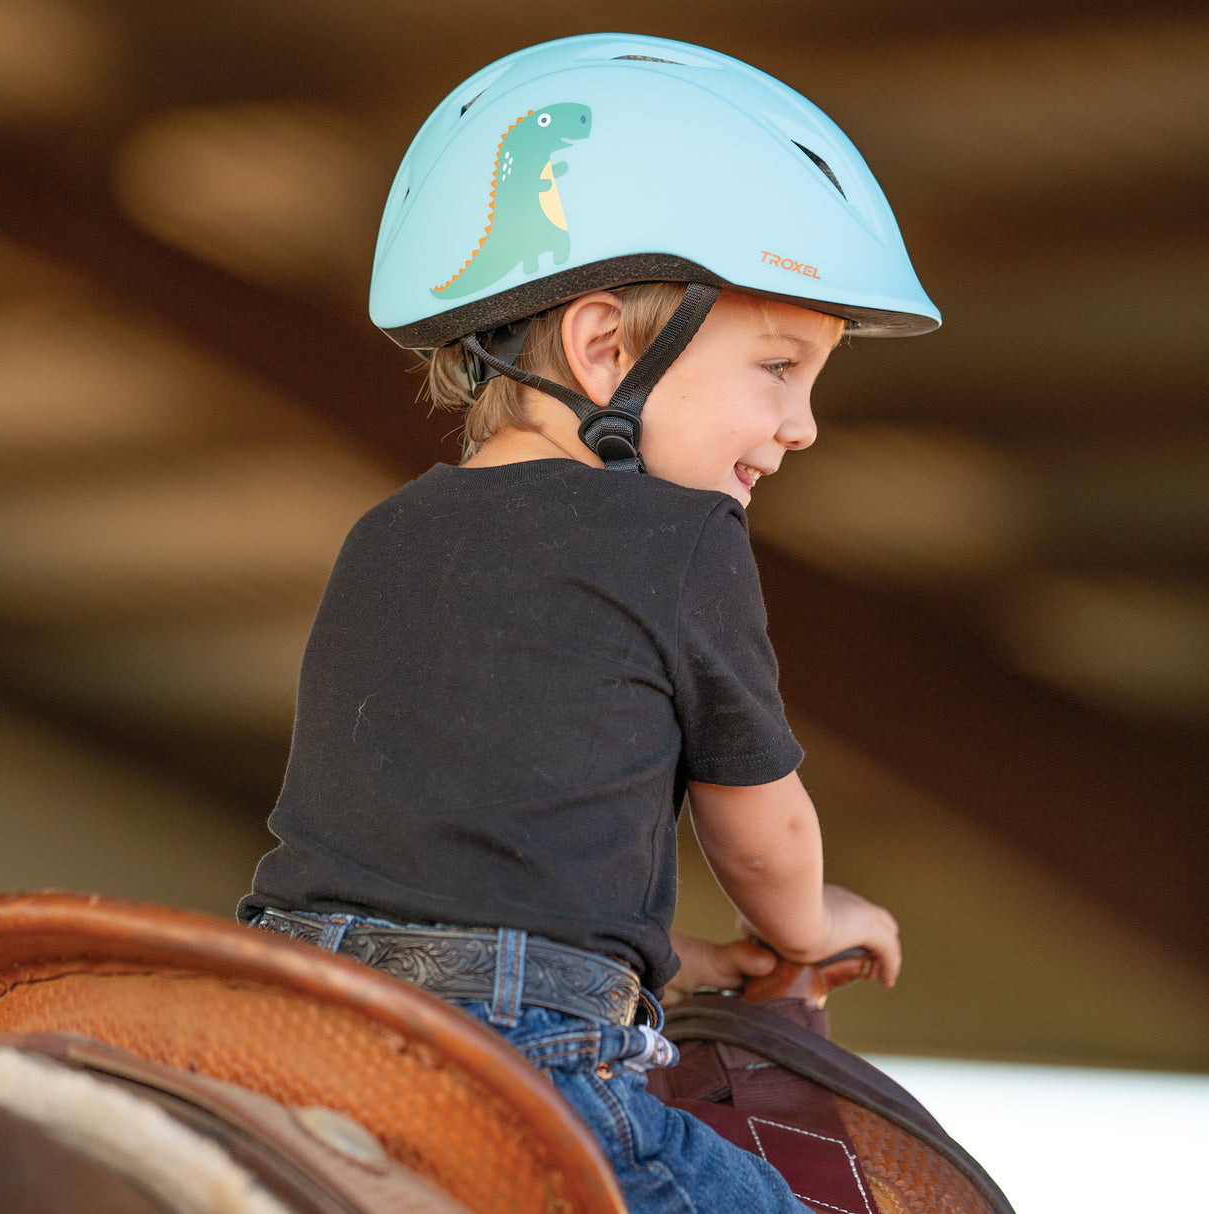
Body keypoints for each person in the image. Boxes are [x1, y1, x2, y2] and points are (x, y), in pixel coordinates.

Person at [239, 32, 939, 1213]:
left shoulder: (387, 531)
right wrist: (812, 918)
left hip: (287, 998)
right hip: (520, 1052)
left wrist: (654, 957)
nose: (803, 423)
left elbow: (454, 853)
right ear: (605, 346)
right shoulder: (680, 538)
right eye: (777, 365)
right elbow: (760, 834)